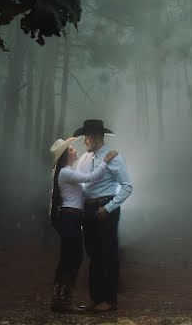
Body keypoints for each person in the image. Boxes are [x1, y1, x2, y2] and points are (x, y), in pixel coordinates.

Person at [48, 136, 118, 313]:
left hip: (71, 219)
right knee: (72, 259)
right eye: (71, 149)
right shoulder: (65, 172)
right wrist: (106, 161)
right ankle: (63, 301)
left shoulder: (66, 171)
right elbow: (91, 178)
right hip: (70, 219)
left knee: (71, 258)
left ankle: (60, 299)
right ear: (65, 155)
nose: (75, 150)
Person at [73, 119, 133, 313]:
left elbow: (127, 187)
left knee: (108, 254)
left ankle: (110, 300)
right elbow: (81, 185)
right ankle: (96, 298)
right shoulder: (83, 159)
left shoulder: (113, 157)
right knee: (93, 255)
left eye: (86, 138)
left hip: (106, 208)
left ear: (96, 137)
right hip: (88, 210)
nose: (84, 142)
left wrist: (108, 208)